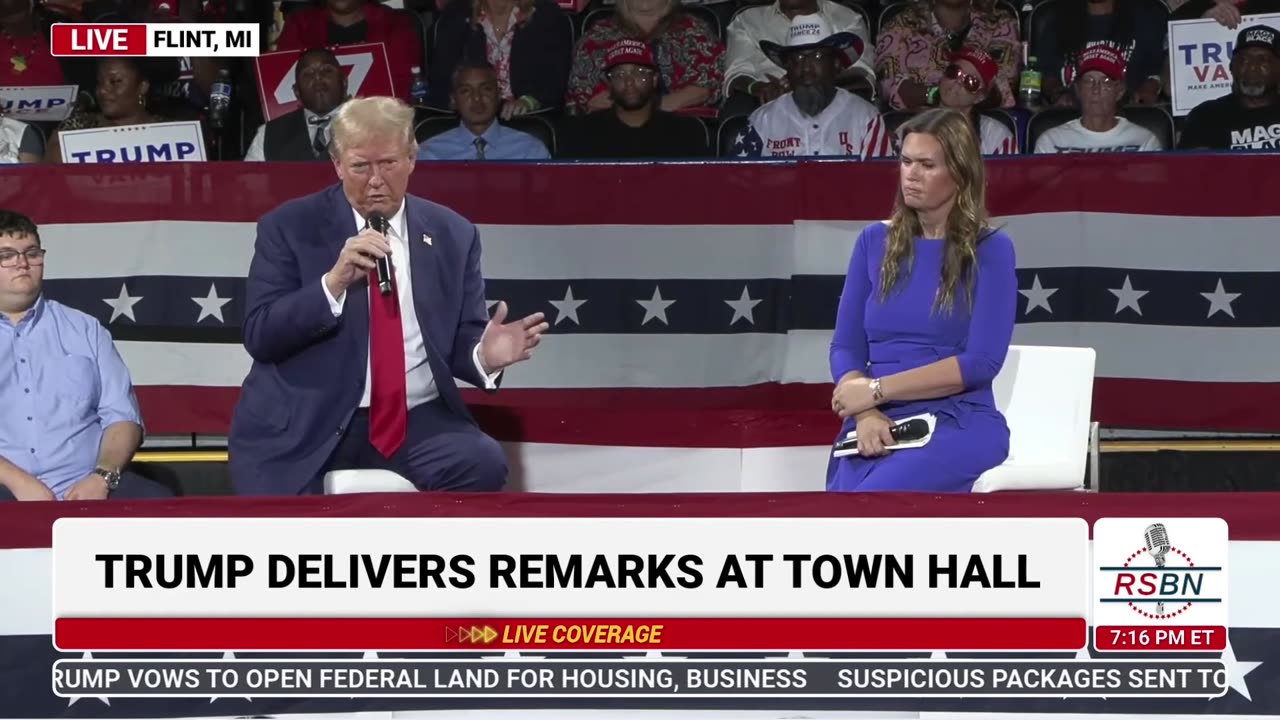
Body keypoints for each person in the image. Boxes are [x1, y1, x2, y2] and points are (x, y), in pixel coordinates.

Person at [229, 96, 549, 496]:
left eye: (389, 164)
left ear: (412, 158)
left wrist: (484, 355)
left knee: (479, 465)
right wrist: (333, 284)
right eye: (361, 166)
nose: (375, 180)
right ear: (338, 165)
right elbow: (260, 334)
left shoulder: (453, 234)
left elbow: (462, 334)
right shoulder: (289, 227)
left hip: (416, 418)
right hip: (306, 418)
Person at [827, 108, 1017, 493]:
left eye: (927, 165)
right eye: (906, 161)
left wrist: (877, 389)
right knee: (841, 510)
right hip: (874, 422)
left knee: (872, 503)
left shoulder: (991, 249)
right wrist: (865, 412)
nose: (911, 174)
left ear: (960, 175)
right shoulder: (872, 242)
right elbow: (846, 346)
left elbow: (981, 363)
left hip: (957, 421)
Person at [0, 210, 171, 502]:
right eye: (7, 255)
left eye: (32, 252)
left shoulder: (85, 329)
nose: (23, 263)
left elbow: (123, 418)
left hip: (88, 484)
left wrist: (101, 477)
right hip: (6, 486)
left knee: (159, 502)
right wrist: (18, 483)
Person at [731, 16, 891, 158]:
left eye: (817, 56)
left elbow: (879, 182)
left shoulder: (866, 118)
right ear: (788, 68)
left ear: (835, 64)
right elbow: (740, 183)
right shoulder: (762, 120)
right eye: (798, 57)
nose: (806, 67)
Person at [566, 0, 724, 115]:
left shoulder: (695, 31)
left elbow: (705, 88)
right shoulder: (597, 36)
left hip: (682, 130)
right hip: (612, 131)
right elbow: (589, 95)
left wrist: (651, 109)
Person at [560, 39, 709, 159]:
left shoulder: (686, 133)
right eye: (619, 74)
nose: (629, 81)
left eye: (639, 73)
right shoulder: (583, 133)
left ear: (655, 79)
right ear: (609, 84)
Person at [722, 0, 875, 115]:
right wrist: (759, 88)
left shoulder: (847, 18)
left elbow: (861, 71)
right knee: (738, 106)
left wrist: (810, 84)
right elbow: (736, 73)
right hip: (765, 99)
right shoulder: (747, 20)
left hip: (832, 95)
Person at [428, 0, 573, 116]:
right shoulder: (457, 14)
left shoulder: (547, 14)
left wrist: (528, 102)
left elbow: (555, 80)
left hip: (529, 119)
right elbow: (442, 80)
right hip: (470, 119)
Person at [875, 0, 1020, 111]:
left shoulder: (1000, 24)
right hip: (917, 127)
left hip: (981, 126)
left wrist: (946, 96)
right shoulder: (900, 26)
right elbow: (890, 86)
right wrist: (938, 95)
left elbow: (1002, 85)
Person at [1034, 43, 1162, 153]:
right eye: (1089, 81)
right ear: (1078, 89)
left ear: (1120, 91)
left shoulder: (1145, 142)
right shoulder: (1051, 141)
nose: (1096, 89)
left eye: (1106, 82)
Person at [418, 61, 551, 160]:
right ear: (453, 101)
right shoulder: (428, 155)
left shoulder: (530, 151)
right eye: (466, 91)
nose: (477, 98)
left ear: (498, 95)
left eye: (486, 89)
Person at [1178, 24, 1280, 150]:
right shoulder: (1206, 116)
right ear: (1231, 66)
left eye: (1264, 60)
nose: (1253, 67)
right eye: (1244, 60)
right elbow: (1194, 167)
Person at [245, 48, 349, 162]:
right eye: (308, 74)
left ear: (344, 83)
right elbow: (249, 178)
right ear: (296, 91)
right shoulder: (268, 134)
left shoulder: (369, 125)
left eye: (326, 70)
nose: (317, 77)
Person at [936, 46, 1017, 155]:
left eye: (970, 82)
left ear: (980, 97)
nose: (958, 82)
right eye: (954, 73)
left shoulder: (997, 135)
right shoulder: (913, 128)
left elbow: (1009, 172)